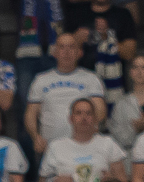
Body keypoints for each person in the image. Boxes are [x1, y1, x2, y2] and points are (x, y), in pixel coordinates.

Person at [39, 97, 126, 182]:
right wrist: (55, 181)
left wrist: (111, 181)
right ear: (71, 118)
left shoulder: (108, 144)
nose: (83, 118)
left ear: (95, 118)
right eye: (78, 113)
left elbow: (123, 181)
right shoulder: (56, 146)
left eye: (88, 113)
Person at [28, 33, 108, 161]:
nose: (66, 52)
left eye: (71, 47)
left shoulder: (92, 79)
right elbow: (31, 113)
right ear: (54, 52)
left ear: (79, 52)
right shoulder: (40, 80)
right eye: (62, 47)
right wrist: (35, 136)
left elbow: (100, 111)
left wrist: (92, 129)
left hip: (84, 147)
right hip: (50, 148)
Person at [68, 0, 136, 106]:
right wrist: (75, 40)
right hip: (79, 83)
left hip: (114, 84)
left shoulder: (123, 15)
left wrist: (108, 37)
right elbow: (60, 52)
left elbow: (129, 53)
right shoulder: (75, 13)